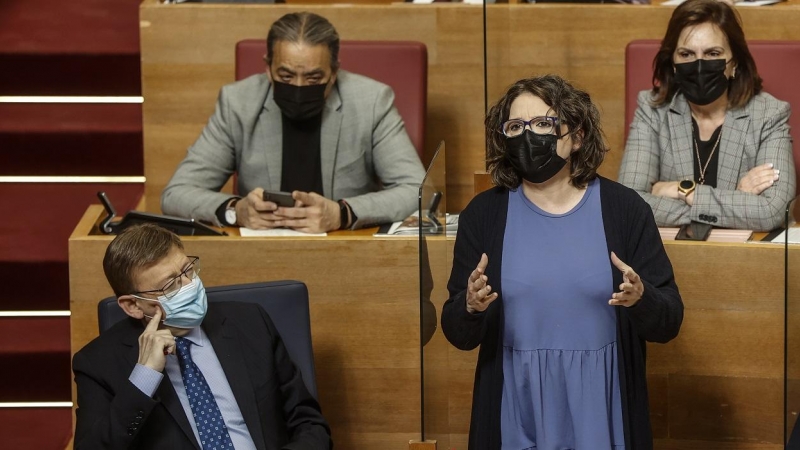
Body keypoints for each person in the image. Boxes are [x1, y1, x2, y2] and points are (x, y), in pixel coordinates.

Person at [441, 75, 683, 449]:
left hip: (602, 400)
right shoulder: (484, 214)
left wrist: (641, 297)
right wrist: (470, 307)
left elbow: (669, 321)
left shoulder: (625, 210)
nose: (528, 135)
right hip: (515, 401)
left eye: (542, 124)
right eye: (515, 126)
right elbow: (457, 332)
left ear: (578, 136)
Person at [72, 223, 332, 449]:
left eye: (188, 270)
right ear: (133, 306)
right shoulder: (98, 364)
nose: (189, 286)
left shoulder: (250, 323)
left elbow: (308, 422)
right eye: (170, 285)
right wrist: (144, 377)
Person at [161, 12, 425, 233]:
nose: (298, 88)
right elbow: (177, 194)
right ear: (268, 68)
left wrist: (342, 214)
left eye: (312, 79)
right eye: (286, 76)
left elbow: (417, 191)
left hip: (345, 248)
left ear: (334, 72)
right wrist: (235, 211)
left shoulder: (371, 101)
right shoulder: (237, 102)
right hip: (260, 255)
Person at [618, 0, 795, 231]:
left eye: (713, 53)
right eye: (686, 54)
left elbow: (773, 211)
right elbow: (628, 204)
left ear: (734, 64)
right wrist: (735, 199)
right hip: (670, 254)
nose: (699, 65)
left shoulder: (769, 115)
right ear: (673, 63)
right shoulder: (652, 110)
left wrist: (683, 191)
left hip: (742, 257)